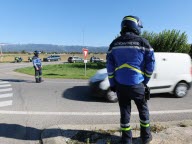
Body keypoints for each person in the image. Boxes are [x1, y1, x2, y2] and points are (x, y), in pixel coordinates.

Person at [106, 15, 155, 144]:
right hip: (138, 85)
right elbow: (151, 65)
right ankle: (145, 137)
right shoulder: (144, 43)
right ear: (135, 26)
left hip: (121, 86)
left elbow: (110, 68)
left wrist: (113, 84)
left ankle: (126, 140)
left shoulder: (114, 44)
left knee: (124, 113)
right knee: (143, 111)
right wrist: (145, 82)